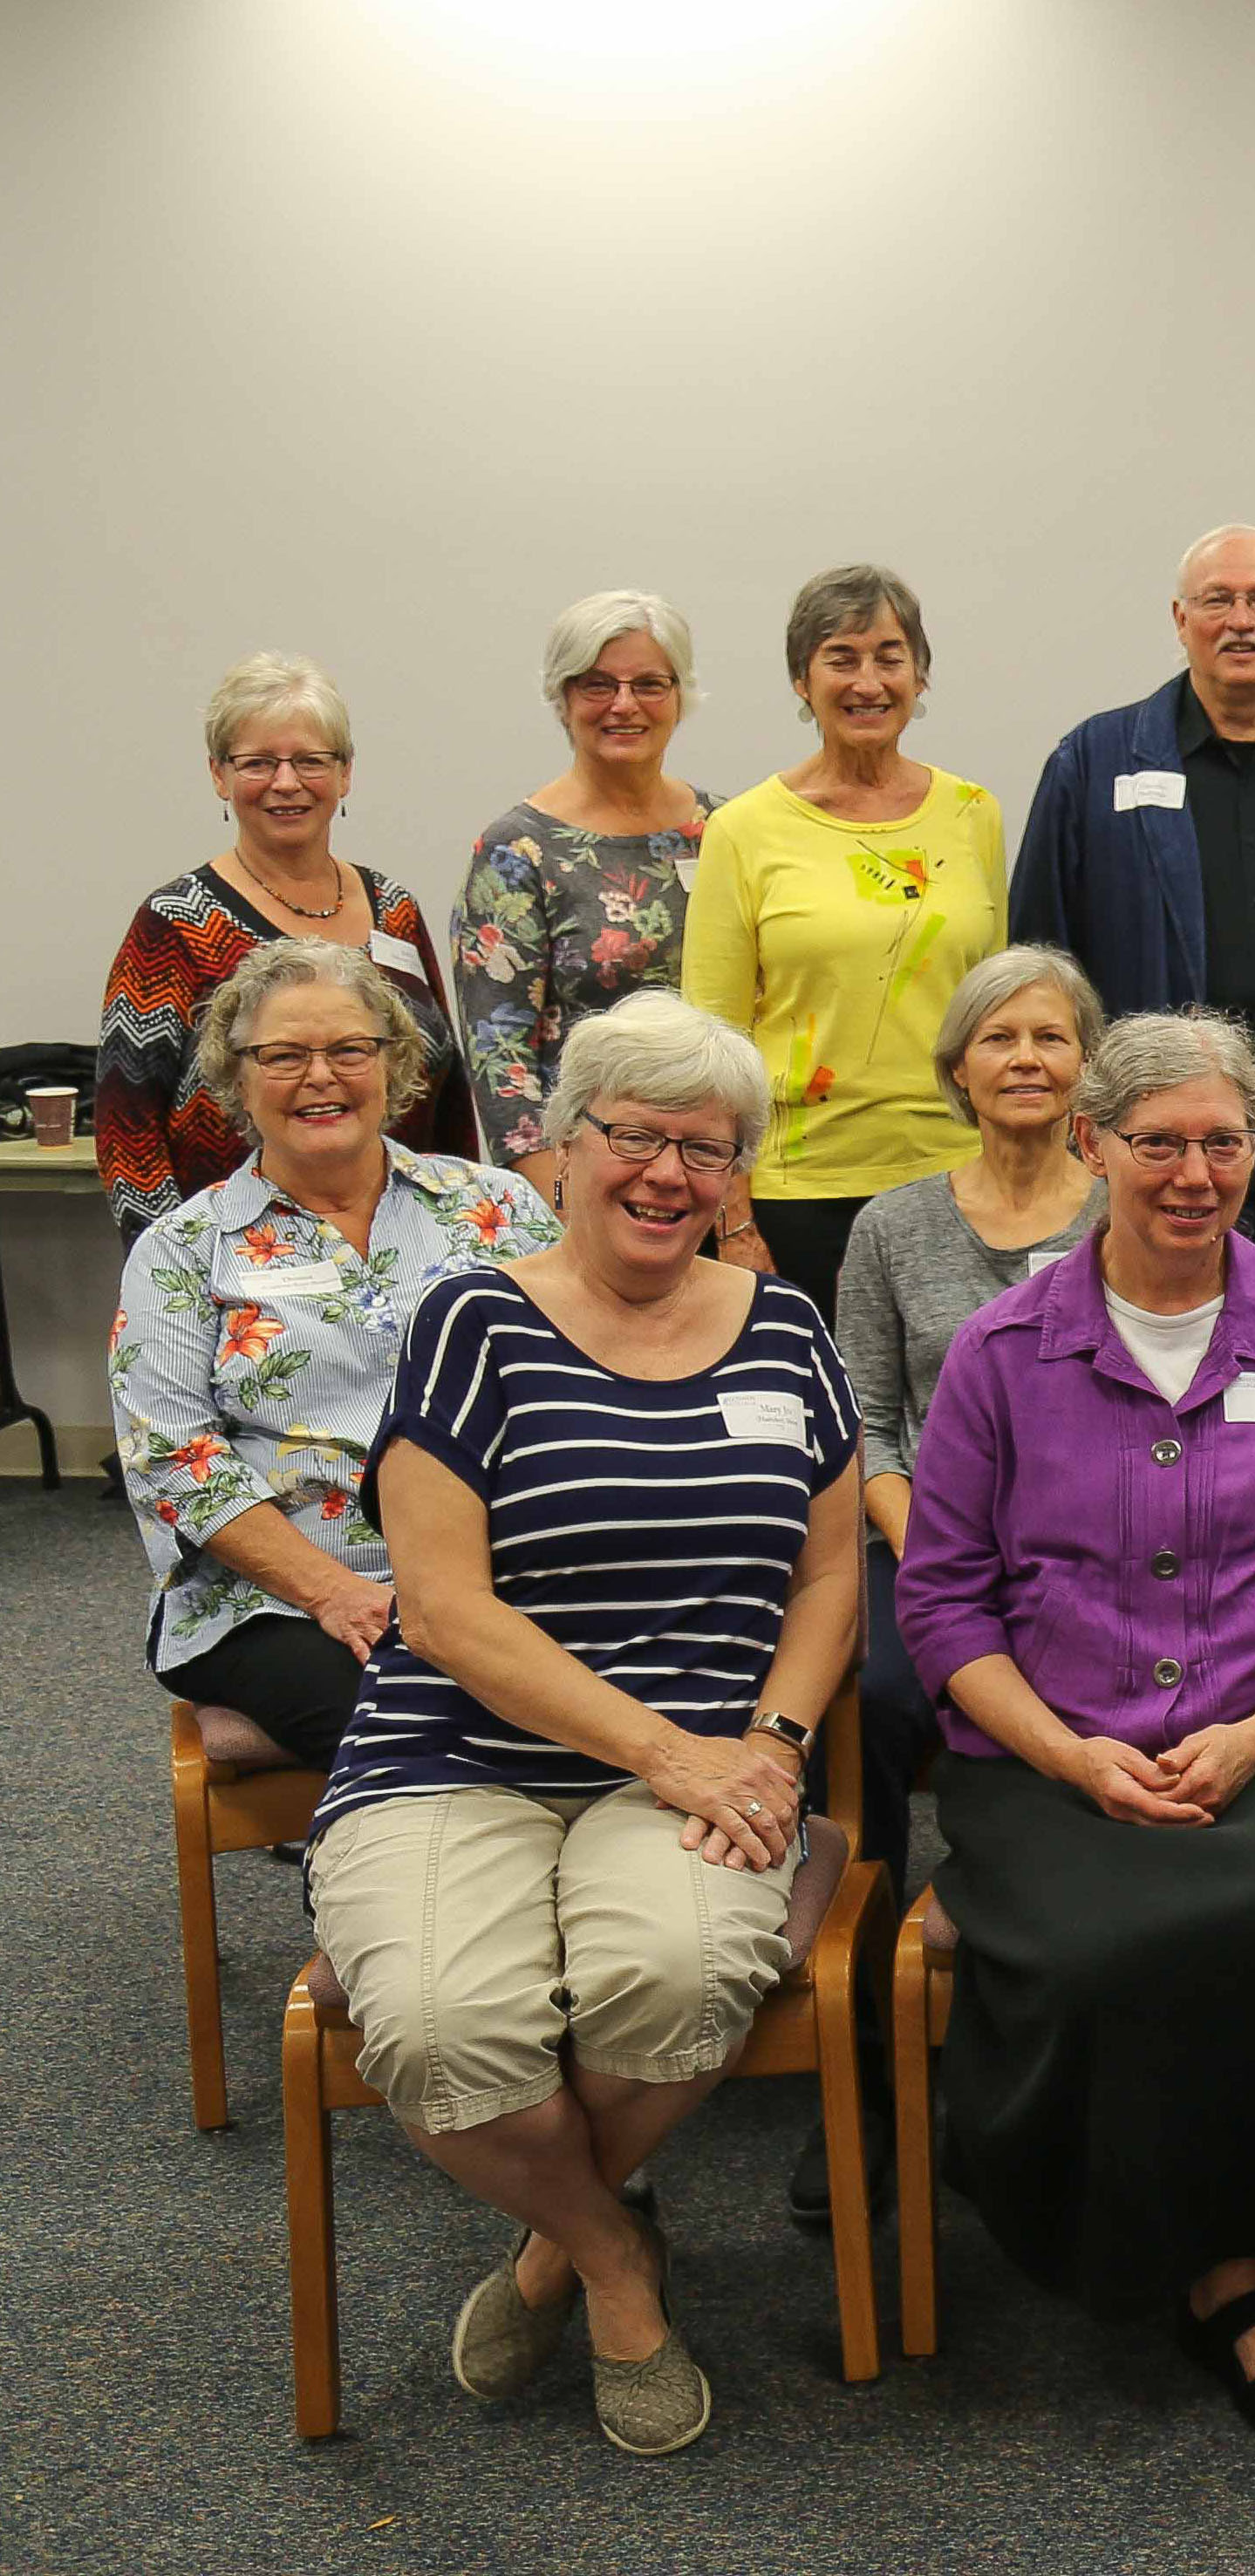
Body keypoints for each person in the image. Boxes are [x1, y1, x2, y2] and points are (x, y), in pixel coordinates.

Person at [304, 991, 861, 2458]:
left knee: (676, 1975)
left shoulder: (788, 1325)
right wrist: (673, 1750)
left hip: (714, 1765)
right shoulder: (473, 1318)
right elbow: (441, 1607)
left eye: (709, 1146)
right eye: (635, 1135)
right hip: (453, 1752)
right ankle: (616, 2263)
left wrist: (781, 1742)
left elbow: (831, 1565)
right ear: (561, 1146)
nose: (670, 1172)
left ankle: (553, 2243)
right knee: (433, 2022)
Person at [894, 1007, 1255, 2447]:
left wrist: (1254, 1737)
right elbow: (942, 1603)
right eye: (1157, 1141)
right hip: (1054, 1748)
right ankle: (1242, 2257)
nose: (1193, 1171)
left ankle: (1233, 2258)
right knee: (1103, 1945)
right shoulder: (1005, 1353)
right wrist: (1069, 1753)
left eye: (1224, 1140)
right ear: (1090, 1144)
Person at [113, 942, 555, 1762]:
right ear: (236, 1079)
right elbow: (174, 1460)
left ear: (395, 1064)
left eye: (350, 1050)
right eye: (282, 1056)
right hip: (283, 1598)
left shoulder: (499, 1208)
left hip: (506, 1569)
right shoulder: (186, 1248)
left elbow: (581, 1377)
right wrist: (338, 1594)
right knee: (428, 1736)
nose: (321, 1077)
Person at [1009, 526, 1255, 1262]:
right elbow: (1037, 962)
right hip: (1145, 1128)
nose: (1240, 620)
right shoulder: (1093, 762)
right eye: (1216, 600)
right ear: (1180, 620)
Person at [835, 948, 1108, 1859]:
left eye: (1050, 1037)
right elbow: (863, 1418)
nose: (1026, 1058)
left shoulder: (1133, 1213)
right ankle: (866, 1955)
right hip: (926, 1537)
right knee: (878, 1696)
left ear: (1087, 1065)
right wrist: (931, 1548)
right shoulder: (890, 1226)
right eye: (1000, 1038)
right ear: (960, 1068)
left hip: (1097, 1539)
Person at [682, 564, 1007, 1322]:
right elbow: (712, 1045)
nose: (869, 681)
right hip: (802, 1189)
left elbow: (993, 1013)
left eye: (890, 656)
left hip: (958, 1178)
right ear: (802, 678)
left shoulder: (972, 814)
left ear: (920, 674)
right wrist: (733, 1221)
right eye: (842, 657)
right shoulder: (744, 830)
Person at [101, 653, 477, 1238]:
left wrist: (466, 1227)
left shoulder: (394, 908)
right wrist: (173, 1272)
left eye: (310, 760)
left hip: (408, 1246)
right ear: (219, 775)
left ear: (345, 773)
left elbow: (446, 1091)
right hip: (241, 1262)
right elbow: (128, 1136)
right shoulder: (173, 923)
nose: (286, 782)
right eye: (257, 763)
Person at [454, 592, 723, 1187]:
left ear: (680, 696)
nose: (624, 705)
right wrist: (559, 1199)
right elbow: (500, 1055)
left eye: (649, 684)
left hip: (720, 1170)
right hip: (591, 1181)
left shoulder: (729, 830)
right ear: (563, 698)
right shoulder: (517, 850)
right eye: (597, 684)